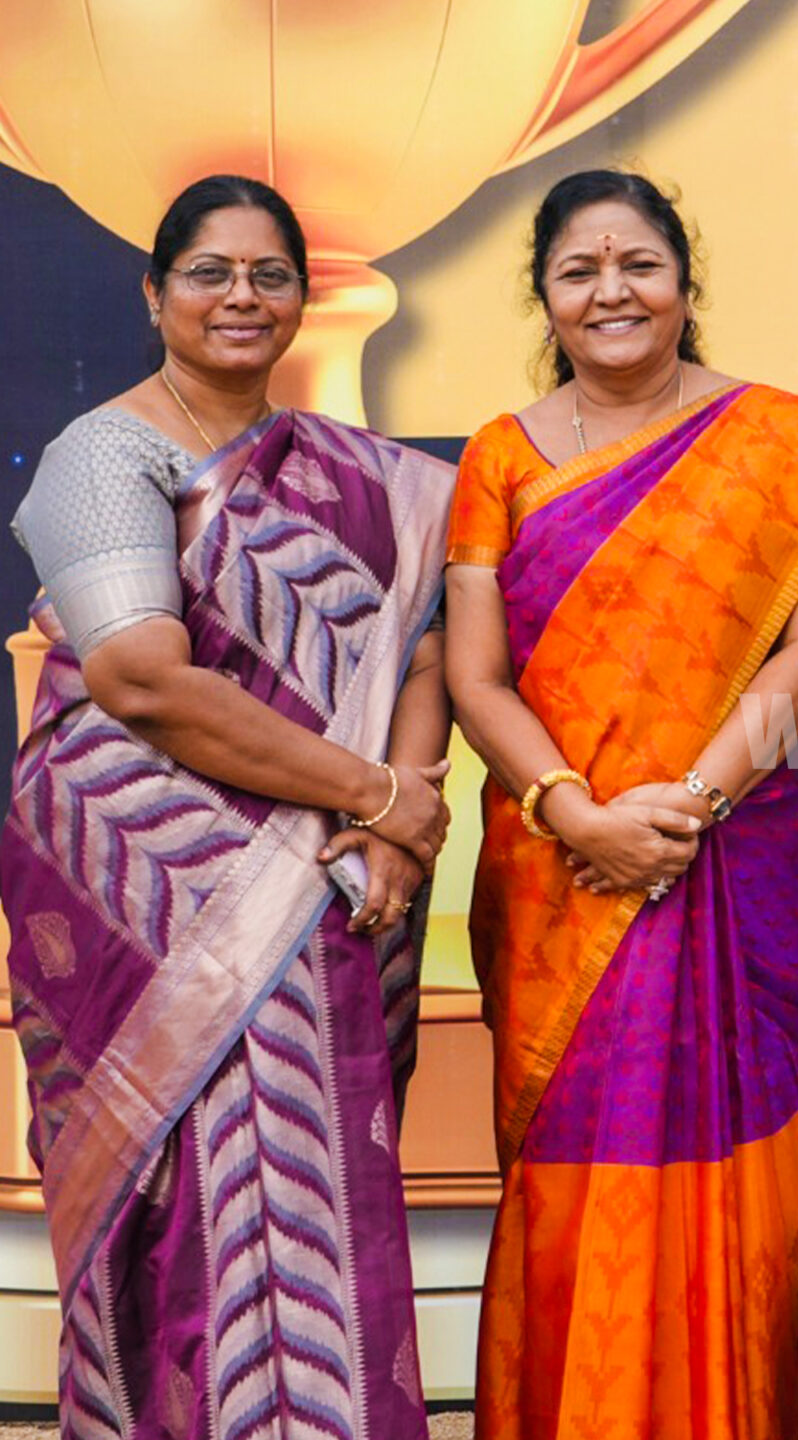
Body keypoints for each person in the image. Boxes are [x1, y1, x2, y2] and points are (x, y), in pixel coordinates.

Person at [447, 170, 798, 1438]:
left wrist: (684, 808)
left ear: (685, 284)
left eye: (639, 264)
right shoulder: (498, 455)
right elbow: (476, 678)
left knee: (733, 1134)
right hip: (564, 875)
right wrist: (576, 814)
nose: (612, 292)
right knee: (579, 1144)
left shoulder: (786, 445)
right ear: (543, 296)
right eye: (579, 271)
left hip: (733, 858)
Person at [2, 174, 453, 1437]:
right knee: (171, 1192)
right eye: (210, 272)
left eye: (269, 274)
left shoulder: (373, 479)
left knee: (308, 1178)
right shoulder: (106, 454)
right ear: (156, 295)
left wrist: (398, 827)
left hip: (331, 877)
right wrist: (377, 796)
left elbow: (420, 649)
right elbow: (142, 679)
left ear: (303, 297)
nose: (241, 297)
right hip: (138, 889)